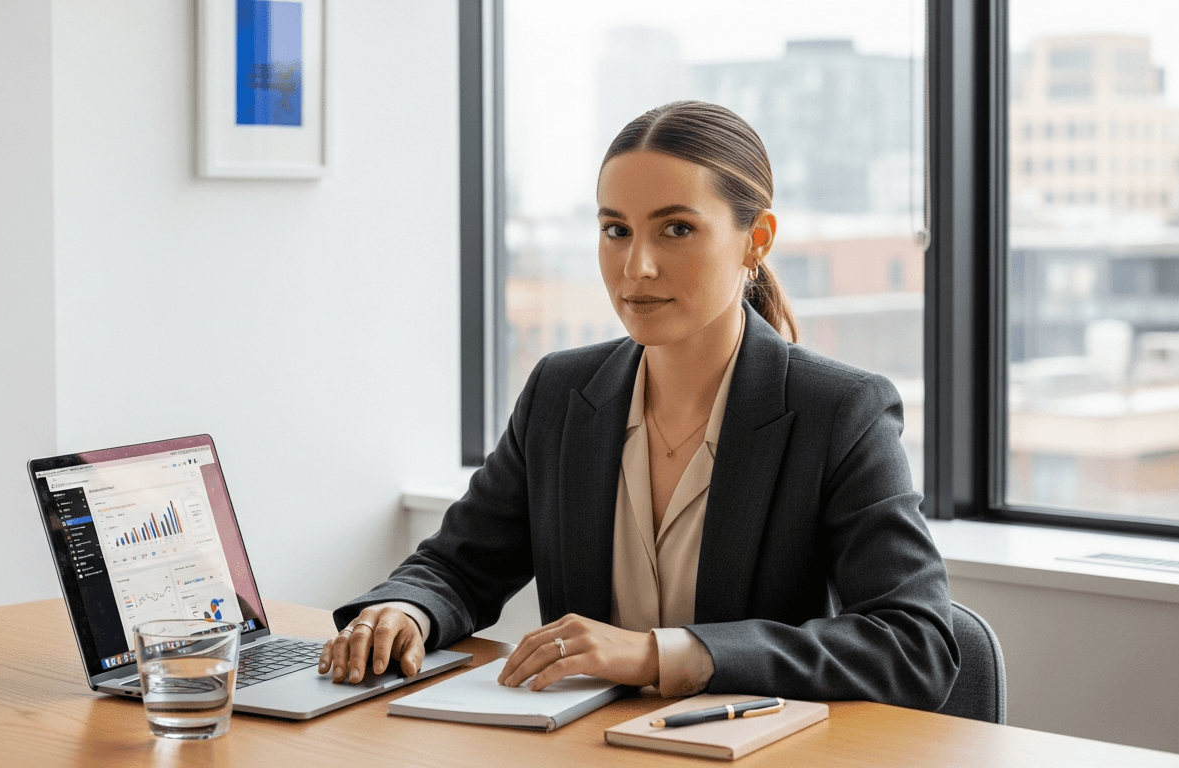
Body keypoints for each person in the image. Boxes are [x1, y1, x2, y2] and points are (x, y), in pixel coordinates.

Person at [317, 100, 958, 709]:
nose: (637, 266)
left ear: (756, 239)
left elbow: (915, 645)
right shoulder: (561, 394)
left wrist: (658, 655)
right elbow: (459, 564)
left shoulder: (839, 412)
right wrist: (407, 610)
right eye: (615, 230)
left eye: (676, 229)